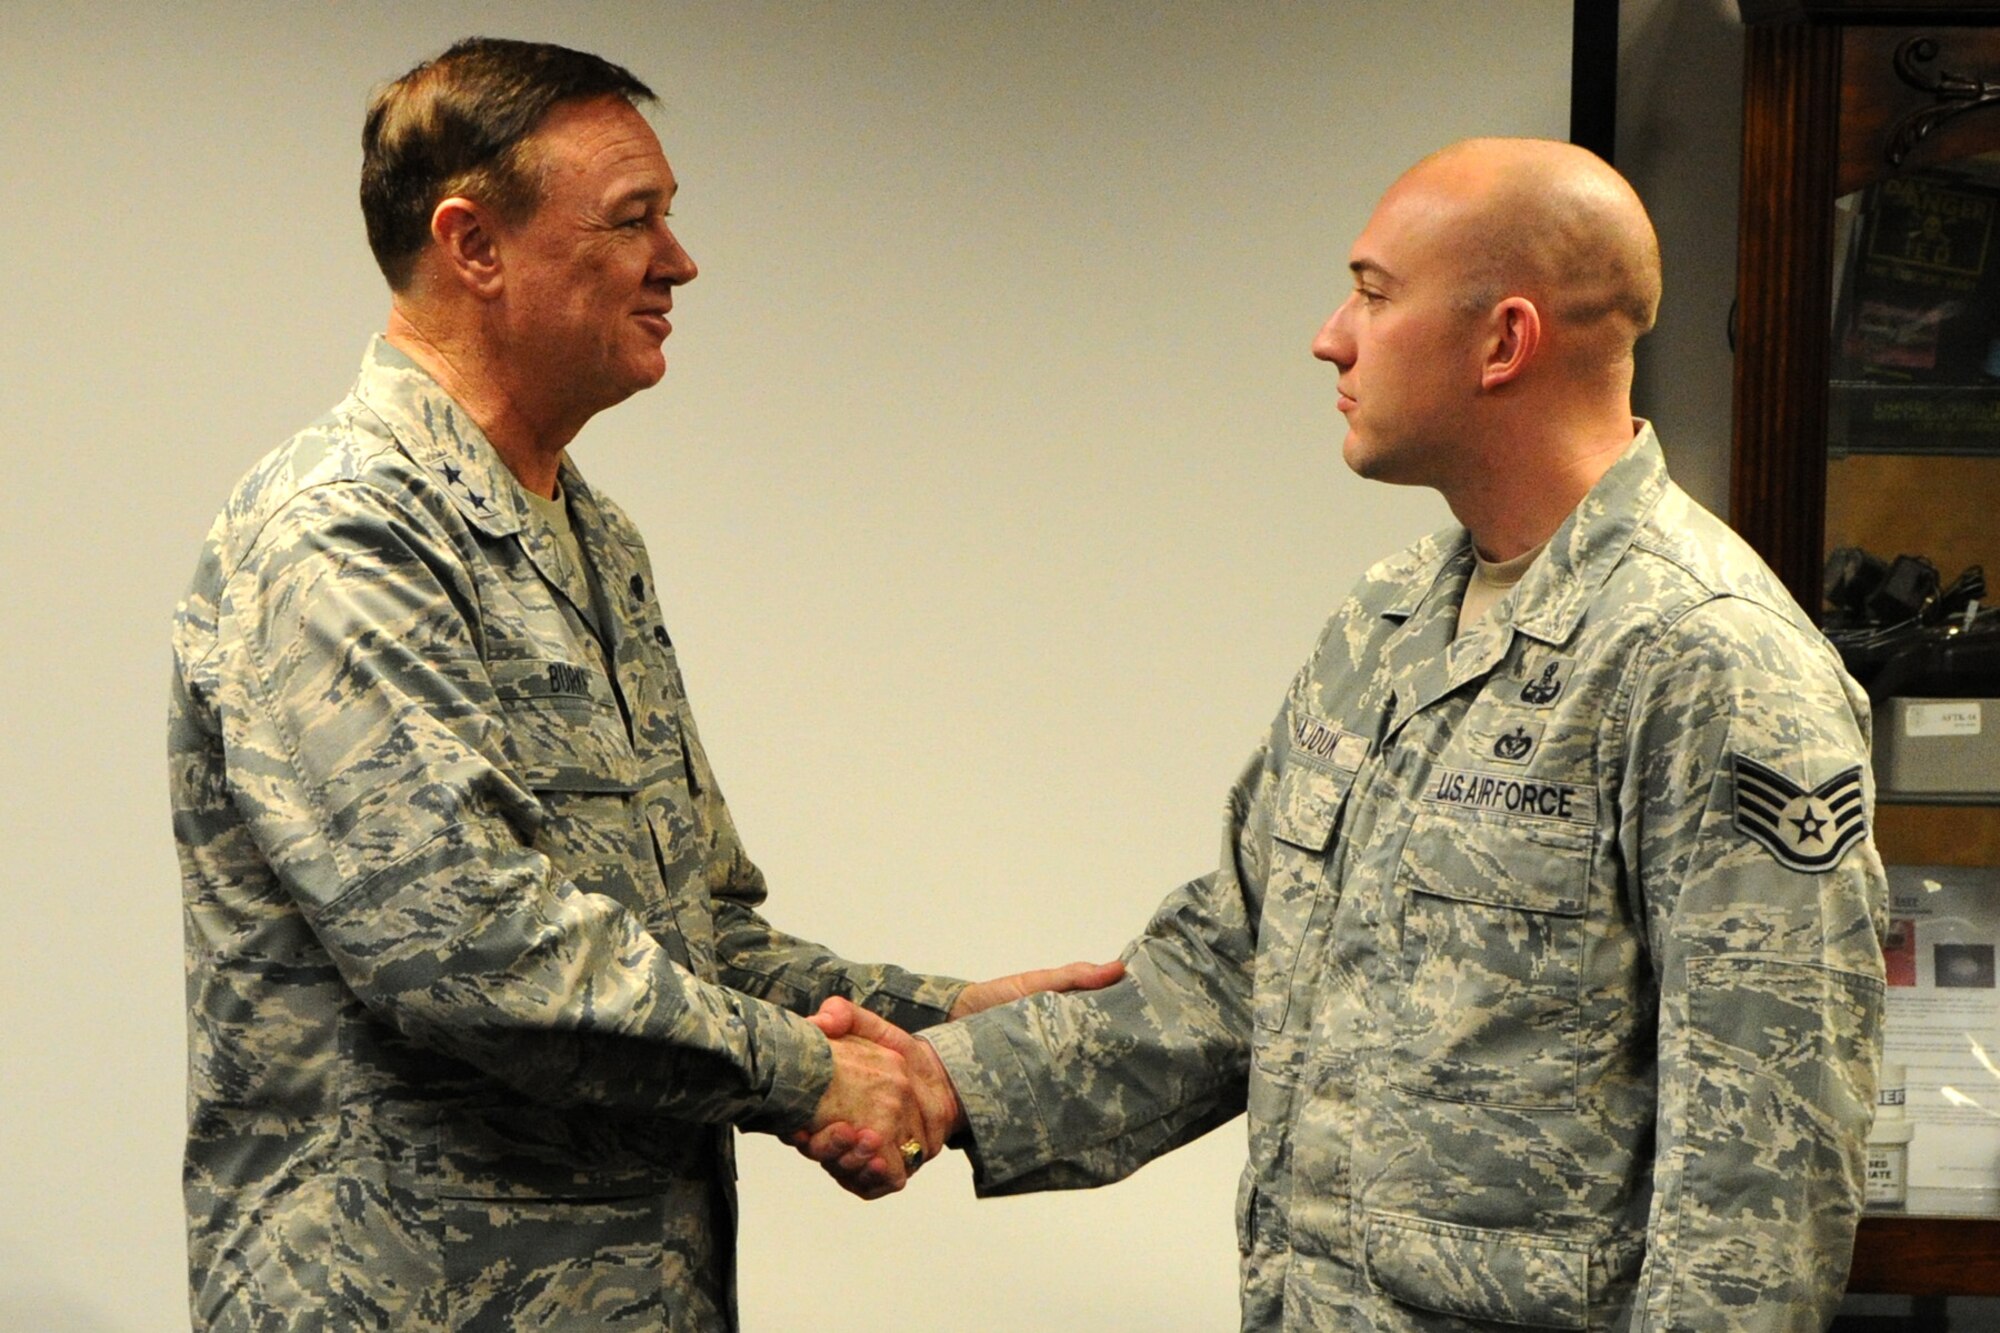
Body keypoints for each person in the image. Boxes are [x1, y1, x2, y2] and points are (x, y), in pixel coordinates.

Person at [802, 138, 1888, 1330]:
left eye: (1373, 294)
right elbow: (1233, 968)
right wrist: (945, 1082)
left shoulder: (1704, 660)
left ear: (1502, 341)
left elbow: (1759, 1179)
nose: (1331, 335)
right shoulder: (1385, 620)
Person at [167, 37, 1119, 1332]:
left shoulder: (593, 541)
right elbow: (467, 951)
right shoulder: (345, 535)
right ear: (474, 245)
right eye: (635, 221)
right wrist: (813, 1077)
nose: (679, 262)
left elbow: (698, 941)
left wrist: (948, 1025)